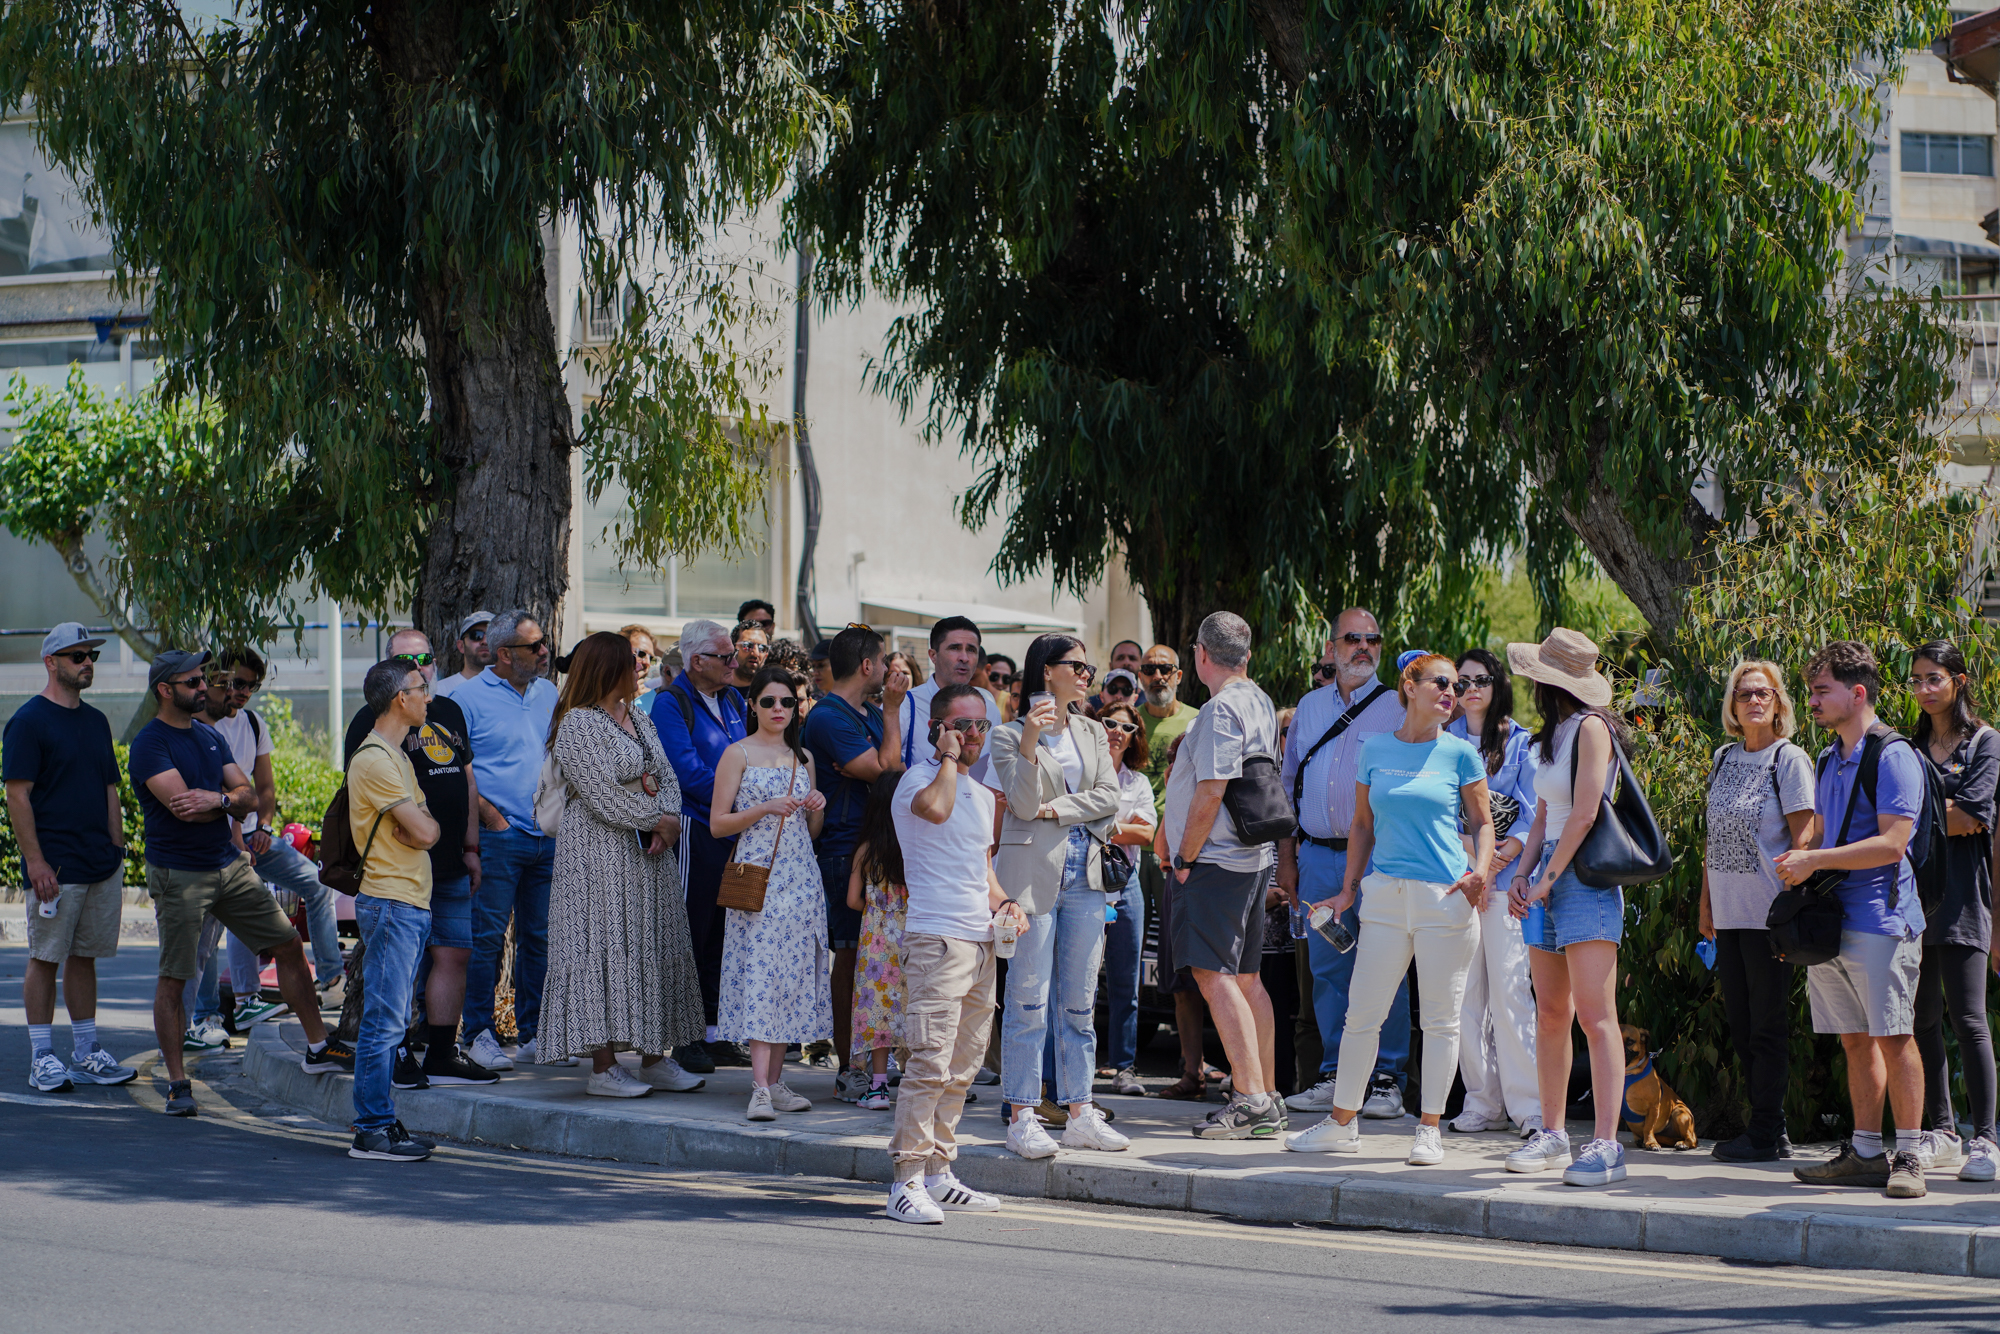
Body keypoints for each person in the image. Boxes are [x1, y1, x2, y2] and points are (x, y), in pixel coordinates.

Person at [1287, 654, 1492, 1163]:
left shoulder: (1461, 753)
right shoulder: (1375, 748)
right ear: (1410, 686)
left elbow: (1483, 823)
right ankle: (1341, 1124)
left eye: (1456, 686)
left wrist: (1481, 872)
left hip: (1445, 899)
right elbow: (1362, 825)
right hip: (1383, 898)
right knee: (1362, 1016)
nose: (1451, 692)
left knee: (1440, 1022)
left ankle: (1429, 1129)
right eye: (1441, 682)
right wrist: (1348, 890)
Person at [132, 650, 336, 1116]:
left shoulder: (209, 736)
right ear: (165, 690)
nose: (204, 687)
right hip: (180, 873)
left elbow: (249, 797)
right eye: (192, 682)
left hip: (228, 864)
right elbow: (184, 807)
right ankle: (178, 1084)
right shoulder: (150, 743)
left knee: (288, 943)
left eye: (203, 679)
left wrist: (221, 800)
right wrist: (225, 801)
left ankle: (319, 1047)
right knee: (176, 976)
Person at [1779, 641, 1931, 1198]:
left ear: (1857, 692)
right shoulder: (1825, 758)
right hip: (1832, 921)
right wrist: (1798, 861)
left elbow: (1893, 843)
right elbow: (1822, 832)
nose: (1812, 702)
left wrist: (1814, 860)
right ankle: (1866, 1153)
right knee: (1855, 1040)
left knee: (1894, 1036)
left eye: (1822, 691)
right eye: (1811, 692)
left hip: (1882, 919)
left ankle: (1909, 1156)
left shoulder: (1893, 755)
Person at [538, 632, 706, 1097]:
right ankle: (604, 1068)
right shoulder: (577, 723)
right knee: (601, 944)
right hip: (598, 853)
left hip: (647, 853)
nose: (638, 668)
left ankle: (654, 1058)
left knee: (651, 943)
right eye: (629, 661)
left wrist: (667, 820)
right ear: (606, 668)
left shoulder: (639, 717)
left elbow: (667, 775)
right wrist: (659, 821)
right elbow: (601, 794)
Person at [884, 684, 1024, 1225]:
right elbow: (936, 811)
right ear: (936, 729)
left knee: (962, 1069)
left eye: (980, 725)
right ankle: (905, 1180)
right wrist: (946, 757)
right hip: (937, 941)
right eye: (961, 725)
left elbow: (982, 871)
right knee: (929, 1063)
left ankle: (939, 1174)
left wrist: (1007, 904)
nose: (972, 735)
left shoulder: (984, 796)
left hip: (982, 942)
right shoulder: (918, 781)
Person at [989, 633, 1127, 1158]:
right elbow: (1023, 804)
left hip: (1086, 874)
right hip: (1030, 876)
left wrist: (1057, 809)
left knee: (1079, 1002)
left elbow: (1110, 797)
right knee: (1027, 1000)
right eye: (1078, 666)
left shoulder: (1092, 730)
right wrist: (1030, 739)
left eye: (1089, 668)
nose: (1087, 675)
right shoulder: (1008, 735)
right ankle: (1022, 1115)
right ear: (1047, 671)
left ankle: (1080, 1114)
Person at [1502, 629, 1630, 1187]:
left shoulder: (1593, 727)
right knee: (1551, 1012)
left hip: (1585, 876)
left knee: (1596, 1017)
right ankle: (1552, 1132)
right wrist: (1524, 875)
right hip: (1548, 875)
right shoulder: (1551, 735)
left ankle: (1607, 1145)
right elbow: (1542, 816)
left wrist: (1548, 877)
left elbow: (1584, 813)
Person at [342, 629, 496, 1087]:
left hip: (446, 865)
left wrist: (470, 847)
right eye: (408, 662)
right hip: (395, 876)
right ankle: (395, 1059)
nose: (421, 669)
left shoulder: (446, 711)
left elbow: (466, 783)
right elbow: (369, 800)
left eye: (425, 658)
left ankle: (442, 1054)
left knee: (454, 953)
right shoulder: (371, 728)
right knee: (398, 973)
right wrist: (423, 830)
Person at [1279, 609, 1410, 1118]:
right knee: (1329, 971)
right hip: (1315, 857)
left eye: (1372, 639)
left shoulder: (1398, 707)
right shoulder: (1310, 707)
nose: (1363, 647)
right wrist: (1287, 859)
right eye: (1352, 638)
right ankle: (1337, 1076)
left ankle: (1386, 1080)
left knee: (1385, 967)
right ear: (1332, 648)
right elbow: (1288, 786)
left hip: (1379, 860)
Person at [1165, 612, 1285, 1139]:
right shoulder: (1259, 699)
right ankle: (1268, 1097)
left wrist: (1185, 858)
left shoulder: (1219, 709)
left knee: (1213, 977)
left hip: (1216, 860)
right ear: (1247, 655)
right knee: (1246, 978)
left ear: (1200, 655)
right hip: (1252, 858)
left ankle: (1250, 1100)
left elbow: (1212, 788)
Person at [4, 623, 135, 1091]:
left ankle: (85, 1052)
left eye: (91, 656)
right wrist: (36, 863)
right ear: (51, 662)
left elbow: (109, 788)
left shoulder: (96, 721)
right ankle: (42, 1057)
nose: (87, 663)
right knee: (45, 957)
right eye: (77, 656)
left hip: (101, 863)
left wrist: (117, 850)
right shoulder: (28, 721)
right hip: (56, 868)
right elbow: (17, 796)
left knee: (84, 958)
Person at [1698, 660, 1814, 1163]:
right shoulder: (1723, 758)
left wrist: (1788, 908)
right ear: (1732, 704)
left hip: (1769, 916)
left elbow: (1805, 840)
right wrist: (1705, 902)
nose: (1753, 701)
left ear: (1779, 702)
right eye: (1744, 694)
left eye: (1763, 693)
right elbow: (1712, 838)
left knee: (1766, 1027)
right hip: (1728, 915)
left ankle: (1765, 1132)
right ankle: (1772, 1128)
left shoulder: (1788, 759)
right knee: (1743, 1027)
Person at [710, 666, 832, 1121]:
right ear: (753, 705)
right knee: (761, 974)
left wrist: (816, 805)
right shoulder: (737, 753)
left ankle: (776, 1083)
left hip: (801, 878)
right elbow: (717, 823)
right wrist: (764, 807)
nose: (779, 709)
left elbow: (811, 830)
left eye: (787, 702)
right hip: (758, 875)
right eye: (769, 701)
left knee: (791, 976)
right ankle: (759, 1088)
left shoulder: (803, 757)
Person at [201, 646, 347, 1011]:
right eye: (237, 683)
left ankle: (331, 980)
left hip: (254, 835)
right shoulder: (204, 725)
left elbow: (265, 788)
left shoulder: (253, 724)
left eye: (252, 686)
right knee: (231, 914)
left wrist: (264, 828)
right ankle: (239, 1001)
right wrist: (238, 840)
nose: (244, 692)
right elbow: (217, 791)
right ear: (217, 680)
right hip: (219, 839)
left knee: (318, 884)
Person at [799, 624, 907, 1099]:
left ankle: (877, 1059)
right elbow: (886, 771)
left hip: (878, 846)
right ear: (867, 666)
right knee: (850, 959)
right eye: (882, 661)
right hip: (845, 849)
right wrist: (893, 714)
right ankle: (851, 1068)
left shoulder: (867, 713)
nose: (887, 669)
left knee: (880, 961)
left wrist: (881, 764)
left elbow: (895, 773)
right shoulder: (828, 716)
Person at [1907, 640, 1999, 1181]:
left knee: (1969, 1020)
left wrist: (1915, 818)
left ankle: (1986, 1139)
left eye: (1933, 678)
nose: (1924, 689)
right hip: (1912, 900)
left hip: (1965, 896)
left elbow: (1972, 817)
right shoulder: (1910, 747)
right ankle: (1942, 1131)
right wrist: (1940, 812)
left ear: (1959, 681)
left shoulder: (1985, 741)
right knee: (1922, 1021)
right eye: (1916, 680)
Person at [456, 609, 563, 1072]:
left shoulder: (549, 692)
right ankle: (477, 1034)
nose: (544, 652)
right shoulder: (465, 698)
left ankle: (535, 1033)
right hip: (499, 837)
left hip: (548, 835)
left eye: (543, 643)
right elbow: (458, 771)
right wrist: (493, 820)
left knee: (540, 938)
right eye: (534, 646)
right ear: (504, 654)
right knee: (487, 938)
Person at [345, 659, 443, 1161]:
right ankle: (372, 1129)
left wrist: (421, 828)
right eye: (421, 688)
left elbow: (428, 827)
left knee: (392, 1018)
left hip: (407, 901)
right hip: (391, 900)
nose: (428, 696)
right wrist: (420, 828)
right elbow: (425, 830)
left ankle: (379, 1123)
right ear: (400, 699)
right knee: (384, 1022)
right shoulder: (376, 761)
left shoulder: (397, 756)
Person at [1444, 646, 1543, 1137]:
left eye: (1480, 680)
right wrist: (1474, 863)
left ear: (1497, 684)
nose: (1470, 689)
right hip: (1460, 882)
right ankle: (1482, 1102)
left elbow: (1533, 810)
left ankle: (1529, 1107)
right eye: (1460, 682)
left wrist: (1501, 857)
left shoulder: (1521, 743)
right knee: (1465, 996)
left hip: (1507, 883)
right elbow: (1439, 814)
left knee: (1511, 992)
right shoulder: (1441, 743)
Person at [650, 618, 750, 1072]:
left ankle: (713, 1030)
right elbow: (685, 771)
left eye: (733, 655)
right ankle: (682, 1036)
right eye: (725, 657)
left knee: (724, 932)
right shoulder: (671, 703)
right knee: (691, 930)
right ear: (696, 661)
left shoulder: (733, 699)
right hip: (697, 828)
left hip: (734, 830)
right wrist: (743, 801)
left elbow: (748, 755)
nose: (734, 663)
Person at [1096, 701, 1156, 1097]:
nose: (1118, 731)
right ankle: (1075, 1064)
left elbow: (1147, 835)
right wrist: (1124, 825)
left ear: (1135, 737)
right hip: (1084, 881)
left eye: (1127, 727)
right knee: (1079, 979)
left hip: (1126, 881)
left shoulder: (1138, 783)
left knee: (1125, 981)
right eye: (1110, 723)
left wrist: (1102, 824)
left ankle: (1123, 1067)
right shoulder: (1081, 773)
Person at [848, 773, 911, 1109]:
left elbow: (852, 900)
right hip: (911, 934)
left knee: (877, 1012)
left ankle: (878, 1088)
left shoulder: (866, 851)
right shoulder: (914, 847)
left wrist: (877, 908)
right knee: (911, 1007)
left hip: (875, 940)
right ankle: (920, 1083)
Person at [896, 616, 1005, 769]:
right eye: (955, 648)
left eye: (971, 650)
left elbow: (995, 765)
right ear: (933, 655)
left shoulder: (988, 704)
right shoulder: (904, 704)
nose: (964, 658)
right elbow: (888, 768)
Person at [434, 610, 497, 701]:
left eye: (492, 636)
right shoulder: (441, 692)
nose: (485, 641)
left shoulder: (512, 690)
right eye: (476, 635)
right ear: (461, 646)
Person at [621, 624, 664, 714]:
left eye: (652, 658)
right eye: (641, 654)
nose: (647, 662)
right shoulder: (601, 693)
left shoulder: (655, 700)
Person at [730, 620, 773, 694]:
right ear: (733, 648)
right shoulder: (716, 690)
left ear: (766, 655)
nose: (756, 653)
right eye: (747, 645)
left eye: (762, 648)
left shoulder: (771, 693)